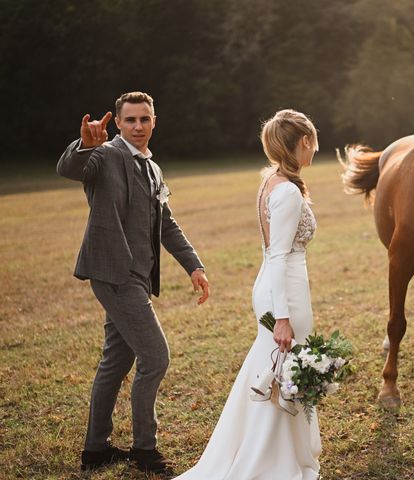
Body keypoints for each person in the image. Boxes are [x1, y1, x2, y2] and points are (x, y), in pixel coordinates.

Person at [57, 91, 210, 474]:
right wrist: (83, 146)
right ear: (120, 124)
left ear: (154, 122)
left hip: (139, 278)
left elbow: (167, 224)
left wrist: (194, 265)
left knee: (116, 361)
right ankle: (145, 449)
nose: (138, 127)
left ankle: (96, 449)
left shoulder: (153, 169)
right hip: (114, 275)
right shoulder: (105, 155)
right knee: (156, 357)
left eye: (144, 119)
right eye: (130, 120)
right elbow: (69, 169)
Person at [174, 109, 321, 479]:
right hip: (283, 291)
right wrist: (283, 317)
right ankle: (268, 462)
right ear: (304, 141)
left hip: (276, 287)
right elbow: (278, 254)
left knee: (271, 370)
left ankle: (272, 450)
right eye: (313, 142)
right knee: (280, 373)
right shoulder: (286, 190)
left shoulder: (272, 181)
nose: (315, 149)